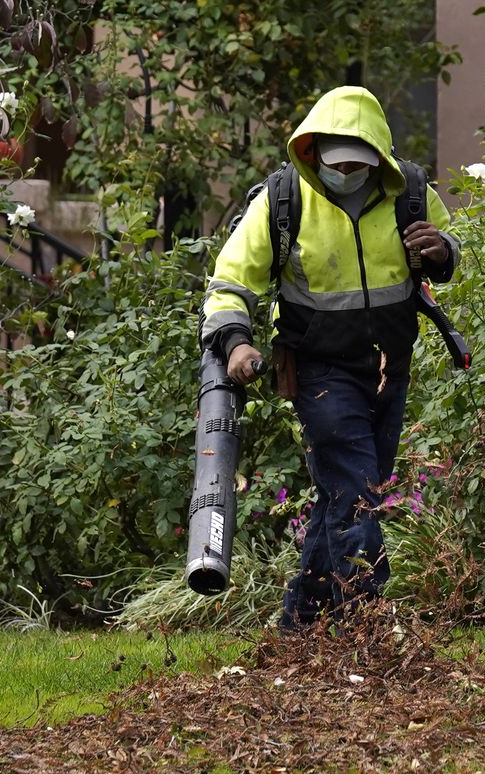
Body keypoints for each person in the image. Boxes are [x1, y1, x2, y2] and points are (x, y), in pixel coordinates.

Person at [200, 86, 460, 630]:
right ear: (312, 149)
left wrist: (442, 253)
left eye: (358, 164)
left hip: (391, 367)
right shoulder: (283, 199)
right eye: (336, 162)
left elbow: (449, 250)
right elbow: (229, 283)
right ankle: (362, 624)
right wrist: (236, 341)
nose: (346, 171)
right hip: (319, 371)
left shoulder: (410, 192)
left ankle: (302, 619)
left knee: (348, 493)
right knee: (360, 496)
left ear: (378, 160)